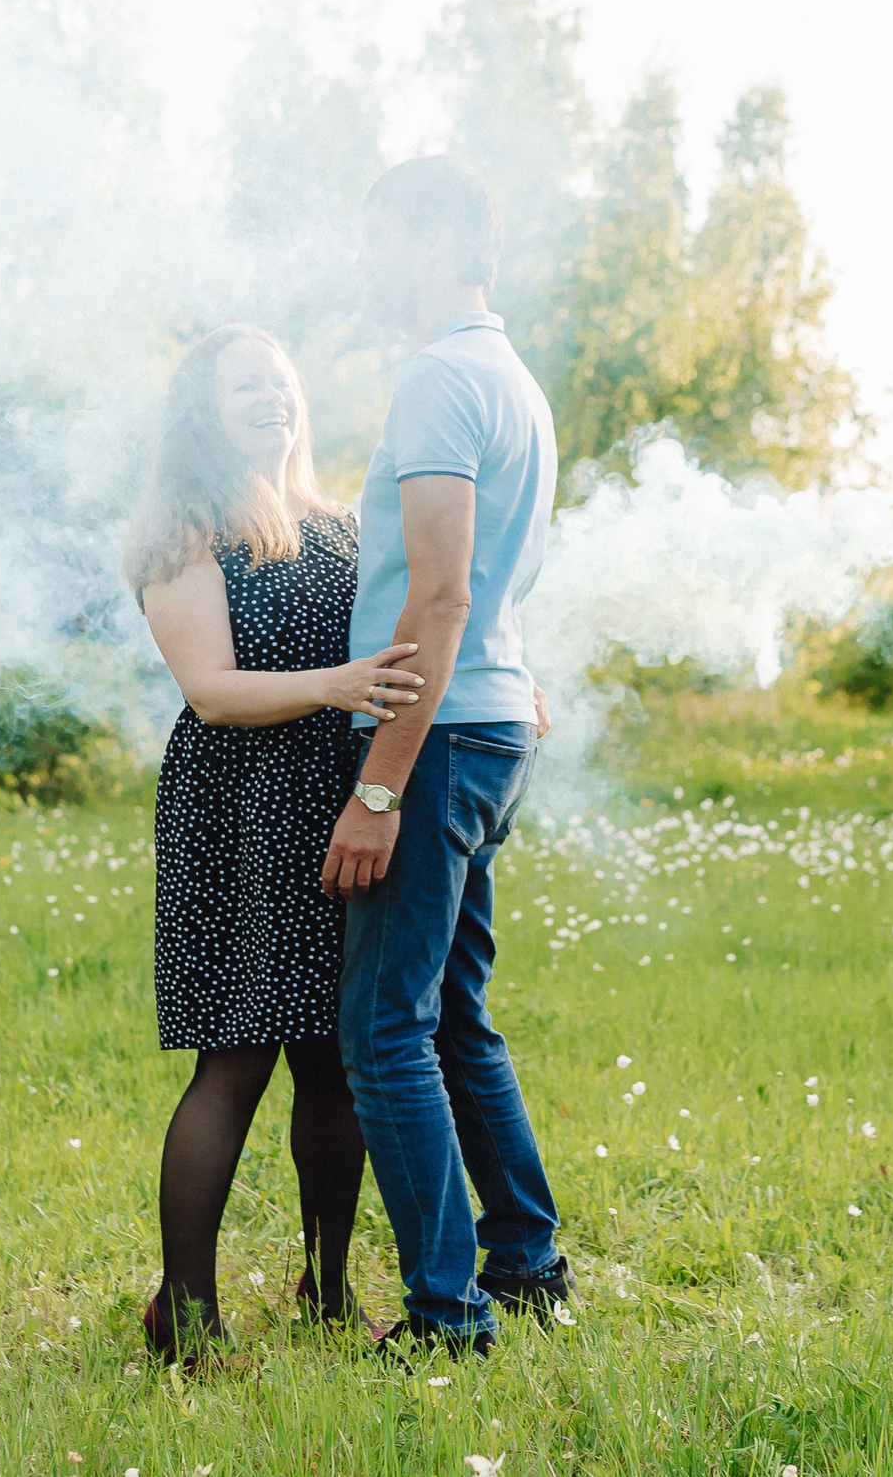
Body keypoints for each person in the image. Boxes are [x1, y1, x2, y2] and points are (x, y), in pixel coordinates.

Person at [123, 323, 430, 1364]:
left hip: (338, 807)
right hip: (241, 813)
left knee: (336, 1062)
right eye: (245, 385)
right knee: (238, 1060)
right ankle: (185, 1315)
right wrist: (336, 686)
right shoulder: (186, 530)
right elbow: (210, 690)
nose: (273, 398)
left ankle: (328, 1289)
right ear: (202, 412)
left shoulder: (342, 523)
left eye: (282, 381)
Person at [321, 155, 567, 1357]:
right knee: (455, 1015)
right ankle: (525, 1262)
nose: (364, 261)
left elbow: (444, 591)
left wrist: (378, 785)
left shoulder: (436, 377)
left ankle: (447, 1315)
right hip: (491, 720)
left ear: (430, 242)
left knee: (384, 1030)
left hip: (437, 733)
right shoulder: (510, 379)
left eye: (377, 237)